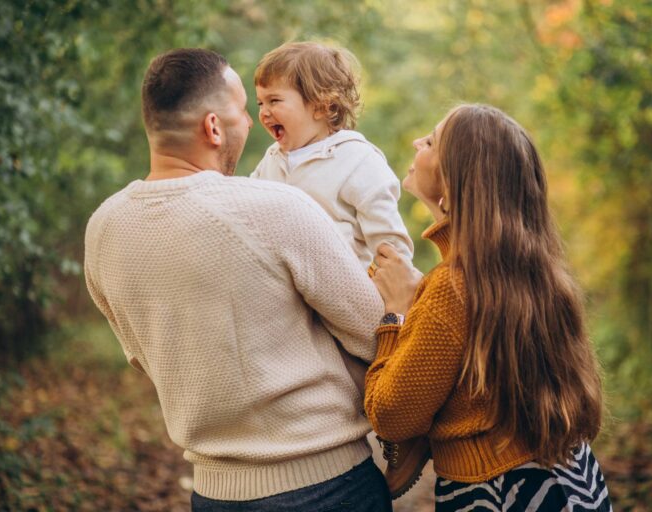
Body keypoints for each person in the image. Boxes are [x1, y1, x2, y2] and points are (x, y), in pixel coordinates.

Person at [84, 48, 392, 511]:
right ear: (212, 127)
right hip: (327, 486)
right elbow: (377, 335)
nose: (253, 123)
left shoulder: (103, 229)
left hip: (212, 494)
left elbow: (143, 356)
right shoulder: (276, 208)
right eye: (245, 111)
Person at [365, 103, 613, 511]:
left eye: (430, 142)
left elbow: (392, 416)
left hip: (498, 494)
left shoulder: (452, 287)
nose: (416, 143)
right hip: (571, 478)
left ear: (455, 181)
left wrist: (396, 313)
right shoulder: (531, 272)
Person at [250, 41, 413, 270]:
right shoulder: (272, 158)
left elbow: (390, 243)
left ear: (321, 106)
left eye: (274, 100)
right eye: (260, 102)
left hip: (340, 291)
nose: (264, 112)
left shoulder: (358, 159)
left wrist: (395, 288)